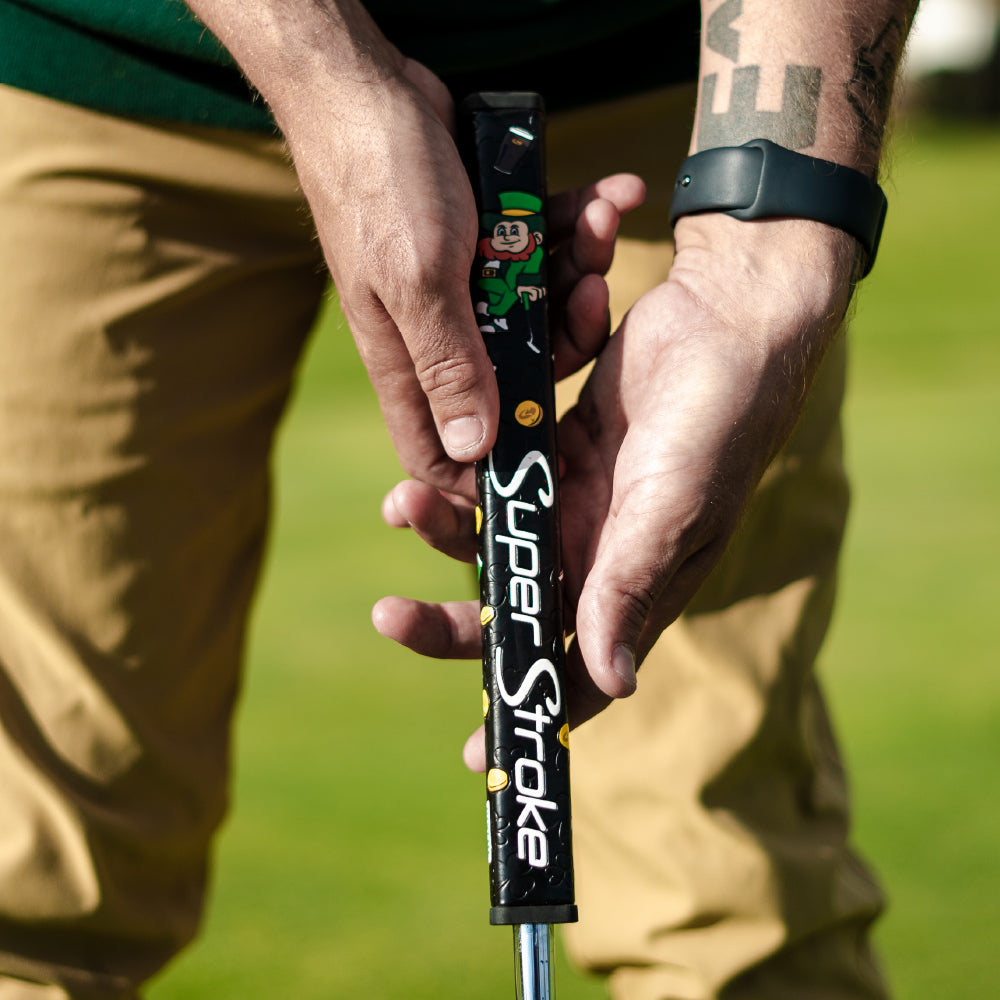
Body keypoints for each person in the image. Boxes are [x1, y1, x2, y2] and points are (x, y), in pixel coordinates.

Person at [0, 2, 916, 998]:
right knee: (30, 873)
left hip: (687, 104)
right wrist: (324, 78)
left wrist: (762, 259)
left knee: (731, 883)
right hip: (107, 82)